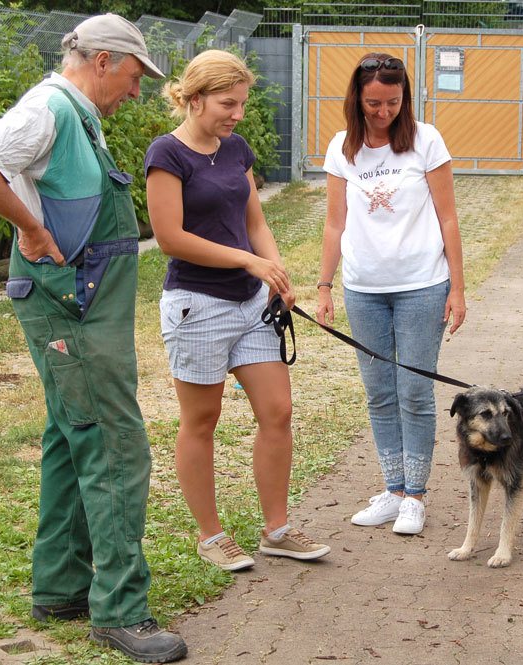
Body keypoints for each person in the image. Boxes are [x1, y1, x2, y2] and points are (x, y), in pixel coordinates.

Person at [0, 14, 187, 663]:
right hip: (71, 300)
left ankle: (60, 584)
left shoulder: (76, 114)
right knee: (114, 442)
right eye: (134, 77)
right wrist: (30, 227)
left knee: (70, 433)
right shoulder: (50, 108)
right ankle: (121, 610)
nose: (136, 91)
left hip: (79, 298)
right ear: (103, 60)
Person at [144, 49, 330, 572]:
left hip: (251, 305)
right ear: (195, 98)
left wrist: (275, 273)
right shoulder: (166, 154)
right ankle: (211, 536)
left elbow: (255, 223)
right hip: (197, 306)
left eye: (242, 103)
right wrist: (249, 261)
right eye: (228, 104)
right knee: (202, 420)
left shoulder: (236, 149)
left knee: (278, 411)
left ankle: (277, 530)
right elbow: (170, 238)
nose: (238, 114)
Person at [316, 53, 466, 535]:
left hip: (422, 286)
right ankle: (393, 490)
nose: (384, 112)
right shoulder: (342, 147)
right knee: (380, 393)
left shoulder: (426, 141)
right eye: (374, 103)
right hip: (364, 290)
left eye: (393, 102)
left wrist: (458, 287)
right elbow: (335, 223)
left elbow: (448, 217)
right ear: (356, 100)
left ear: (406, 99)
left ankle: (416, 496)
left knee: (415, 392)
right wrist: (324, 286)